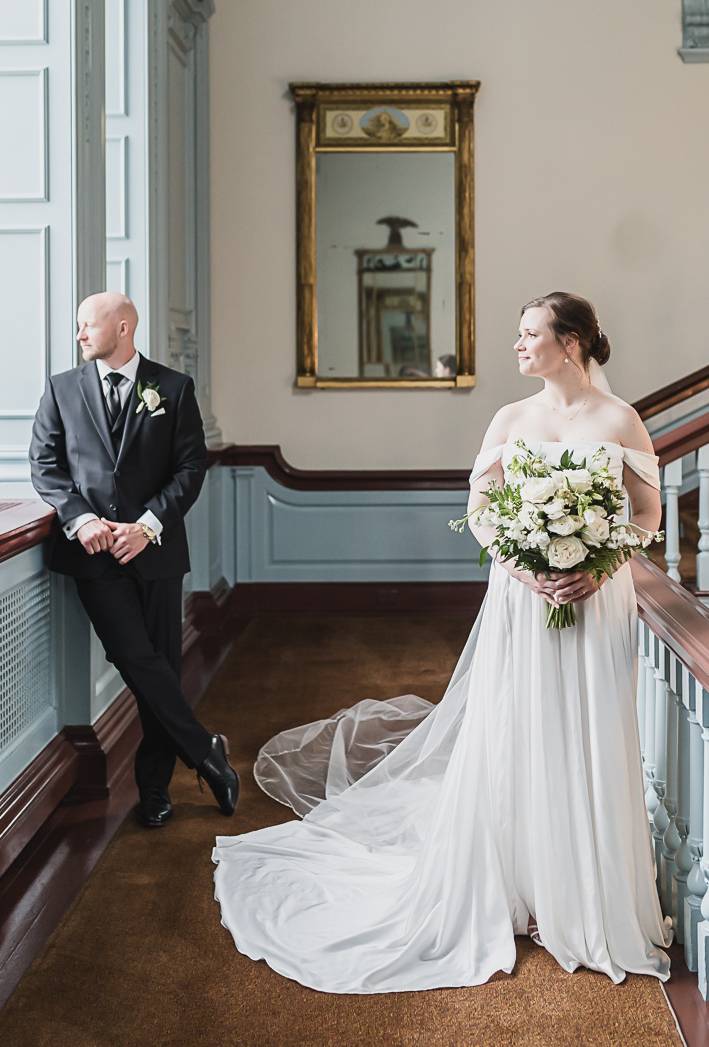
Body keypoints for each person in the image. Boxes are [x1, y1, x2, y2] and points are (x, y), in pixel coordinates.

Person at [211, 290, 672, 992]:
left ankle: (578, 893)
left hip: (595, 604)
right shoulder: (511, 418)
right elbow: (483, 516)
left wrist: (597, 565)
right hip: (524, 605)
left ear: (571, 342)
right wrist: (530, 570)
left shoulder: (620, 419)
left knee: (587, 733)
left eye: (529, 335)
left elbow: (646, 514)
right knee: (516, 734)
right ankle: (514, 889)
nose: (517, 346)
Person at [29, 292, 239, 829]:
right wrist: (82, 520)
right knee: (135, 659)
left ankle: (154, 791)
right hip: (94, 555)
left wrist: (148, 526)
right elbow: (44, 465)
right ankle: (205, 750)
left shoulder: (173, 388)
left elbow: (191, 468)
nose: (79, 336)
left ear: (122, 327)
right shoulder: (62, 389)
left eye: (86, 326)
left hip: (157, 552)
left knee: (161, 667)